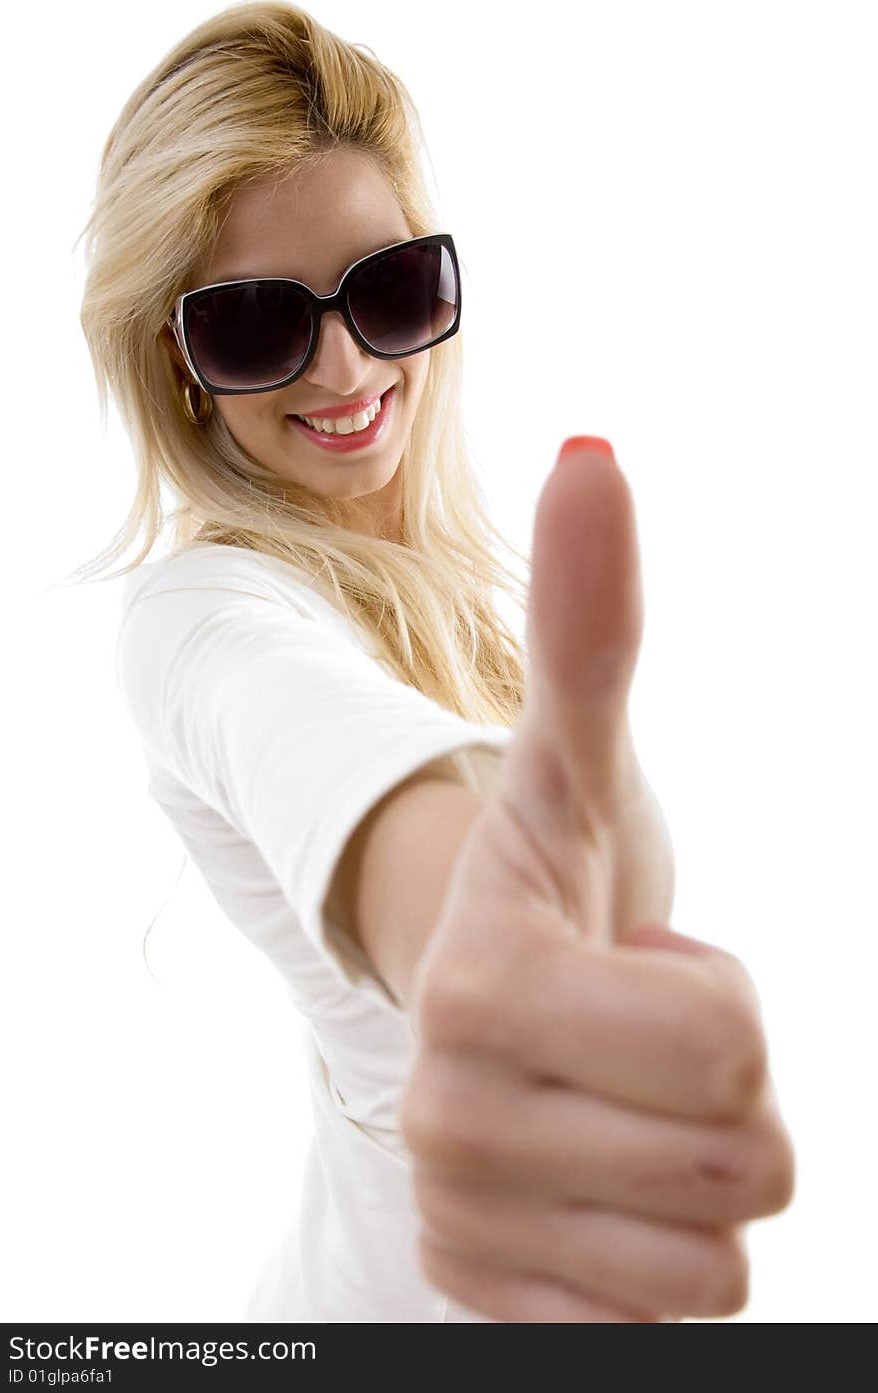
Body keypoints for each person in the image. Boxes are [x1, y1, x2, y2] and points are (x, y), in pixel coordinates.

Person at [73, 2, 795, 1323]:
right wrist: (480, 943)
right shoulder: (198, 615)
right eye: (253, 324)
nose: (345, 365)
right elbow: (302, 733)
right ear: (178, 363)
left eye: (390, 288)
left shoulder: (481, 610)